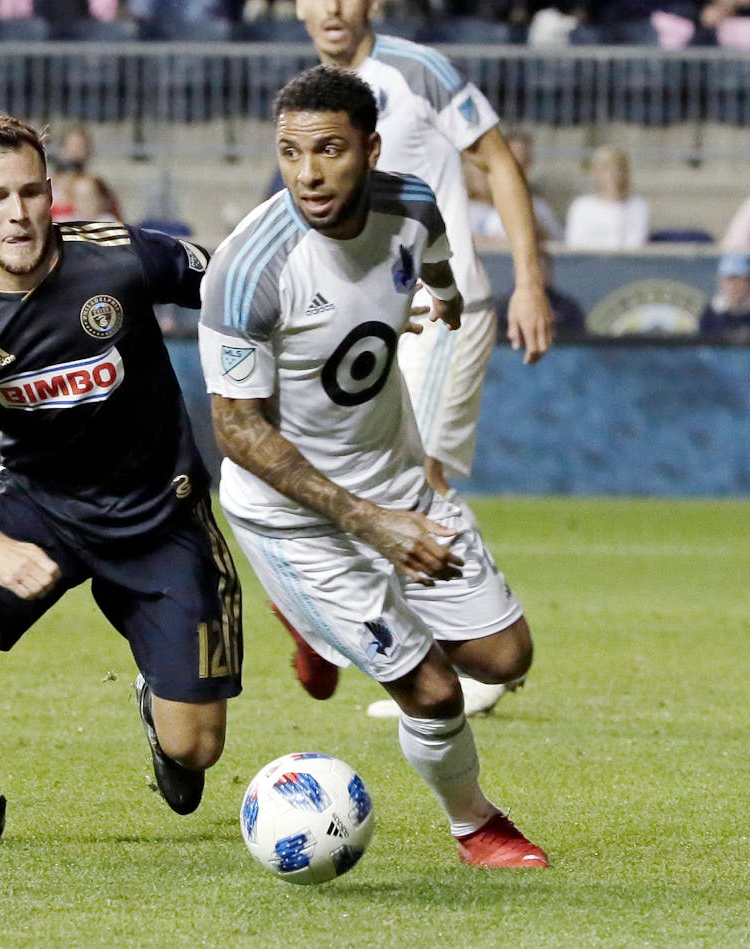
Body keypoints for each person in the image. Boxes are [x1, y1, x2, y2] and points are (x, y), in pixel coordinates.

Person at [200, 66, 548, 870]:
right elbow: (236, 430)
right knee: (433, 690)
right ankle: (477, 826)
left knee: (504, 656)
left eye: (328, 149)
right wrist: (368, 522)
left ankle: (323, 629)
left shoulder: (412, 203)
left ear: (371, 147)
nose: (308, 173)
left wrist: (447, 300)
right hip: (295, 514)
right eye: (290, 153)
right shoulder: (248, 270)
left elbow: (429, 262)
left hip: (395, 478)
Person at [0, 111, 240, 843]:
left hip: (160, 515)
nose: (17, 214)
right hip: (38, 510)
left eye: (30, 192)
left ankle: (158, 695)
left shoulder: (120, 255)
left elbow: (242, 285)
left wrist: (371, 310)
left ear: (52, 192)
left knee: (194, 750)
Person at [289, 0, 554, 717]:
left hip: (445, 305)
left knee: (418, 476)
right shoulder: (316, 103)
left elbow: (496, 161)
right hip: (374, 323)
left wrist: (530, 281)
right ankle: (355, 631)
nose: (334, 8)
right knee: (367, 479)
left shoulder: (418, 71)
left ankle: (474, 660)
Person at [564, 144, 651, 249]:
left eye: (618, 169)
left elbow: (635, 246)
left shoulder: (638, 206)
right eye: (606, 169)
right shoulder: (581, 206)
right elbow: (575, 246)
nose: (612, 175)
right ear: (595, 173)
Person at [498, 249, 586, 339]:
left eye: (541, 265)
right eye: (528, 267)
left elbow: (578, 340)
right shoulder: (501, 308)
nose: (535, 272)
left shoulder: (567, 308)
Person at [698, 253, 750, 340]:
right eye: (730, 280)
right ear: (721, 282)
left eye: (740, 280)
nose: (734, 286)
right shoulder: (710, 314)